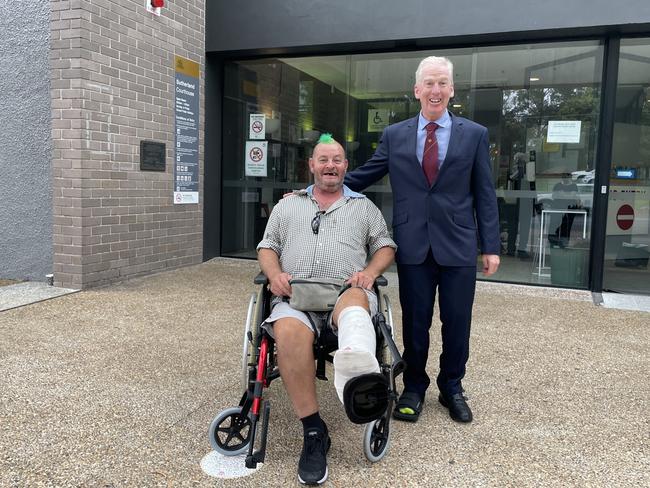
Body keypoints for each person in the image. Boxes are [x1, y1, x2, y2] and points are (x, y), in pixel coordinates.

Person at [344, 56, 501, 424]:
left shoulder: (474, 134)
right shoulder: (395, 135)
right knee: (416, 321)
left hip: (459, 245)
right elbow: (365, 175)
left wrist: (490, 246)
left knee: (457, 321)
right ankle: (414, 387)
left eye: (442, 83)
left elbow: (485, 193)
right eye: (429, 83)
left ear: (451, 90)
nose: (435, 90)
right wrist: (312, 191)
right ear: (417, 90)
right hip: (414, 243)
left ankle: (452, 387)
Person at [257, 134, 396, 485]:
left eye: (337, 160)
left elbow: (385, 246)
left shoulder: (363, 206)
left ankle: (355, 373)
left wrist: (370, 272)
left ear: (346, 166)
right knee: (287, 331)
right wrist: (274, 274)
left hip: (343, 292)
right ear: (312, 165)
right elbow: (267, 246)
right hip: (297, 296)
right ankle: (314, 430)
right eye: (323, 160)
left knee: (355, 303)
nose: (330, 166)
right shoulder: (287, 205)